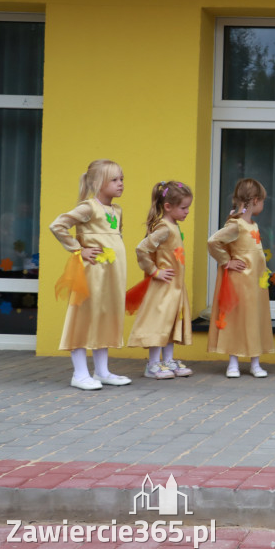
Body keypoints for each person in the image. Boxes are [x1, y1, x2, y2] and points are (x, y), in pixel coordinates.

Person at [50, 159, 133, 390]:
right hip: (92, 275)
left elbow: (116, 238)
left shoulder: (117, 210)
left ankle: (102, 371)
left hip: (112, 276)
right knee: (83, 317)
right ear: (98, 183)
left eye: (122, 179)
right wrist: (79, 249)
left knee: (105, 316)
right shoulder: (88, 207)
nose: (120, 184)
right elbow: (58, 225)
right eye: (114, 180)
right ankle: (79, 374)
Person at [127, 181, 195, 379]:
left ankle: (167, 361)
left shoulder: (173, 226)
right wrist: (154, 271)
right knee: (159, 322)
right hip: (162, 286)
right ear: (168, 207)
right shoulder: (164, 228)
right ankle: (153, 364)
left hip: (174, 287)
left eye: (188, 207)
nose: (187, 211)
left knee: (171, 322)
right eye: (183, 208)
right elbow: (142, 249)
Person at [207, 178, 274, 378]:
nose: (263, 204)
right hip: (239, 281)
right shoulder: (236, 224)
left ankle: (255, 362)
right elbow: (213, 241)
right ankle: (233, 362)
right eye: (262, 201)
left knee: (255, 318)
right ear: (255, 200)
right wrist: (226, 261)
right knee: (236, 318)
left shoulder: (252, 224)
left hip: (255, 283)